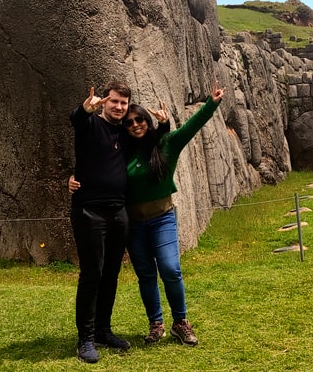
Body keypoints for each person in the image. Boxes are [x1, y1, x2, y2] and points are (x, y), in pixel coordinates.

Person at [70, 81, 224, 347]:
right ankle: (110, 333)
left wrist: (208, 104)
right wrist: (83, 112)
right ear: (105, 103)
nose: (134, 123)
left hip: (142, 216)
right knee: (117, 273)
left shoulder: (147, 141)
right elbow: (83, 135)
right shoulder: (107, 135)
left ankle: (171, 323)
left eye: (137, 117)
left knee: (156, 270)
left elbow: (183, 131)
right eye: (129, 120)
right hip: (113, 217)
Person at [69, 81, 136, 364]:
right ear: (105, 102)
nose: (119, 107)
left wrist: (165, 124)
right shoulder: (90, 125)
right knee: (92, 273)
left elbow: (151, 138)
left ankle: (102, 330)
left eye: (123, 103)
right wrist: (85, 108)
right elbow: (77, 119)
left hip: (118, 212)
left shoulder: (126, 131)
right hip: (89, 211)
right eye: (114, 102)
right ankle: (85, 338)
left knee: (111, 273)